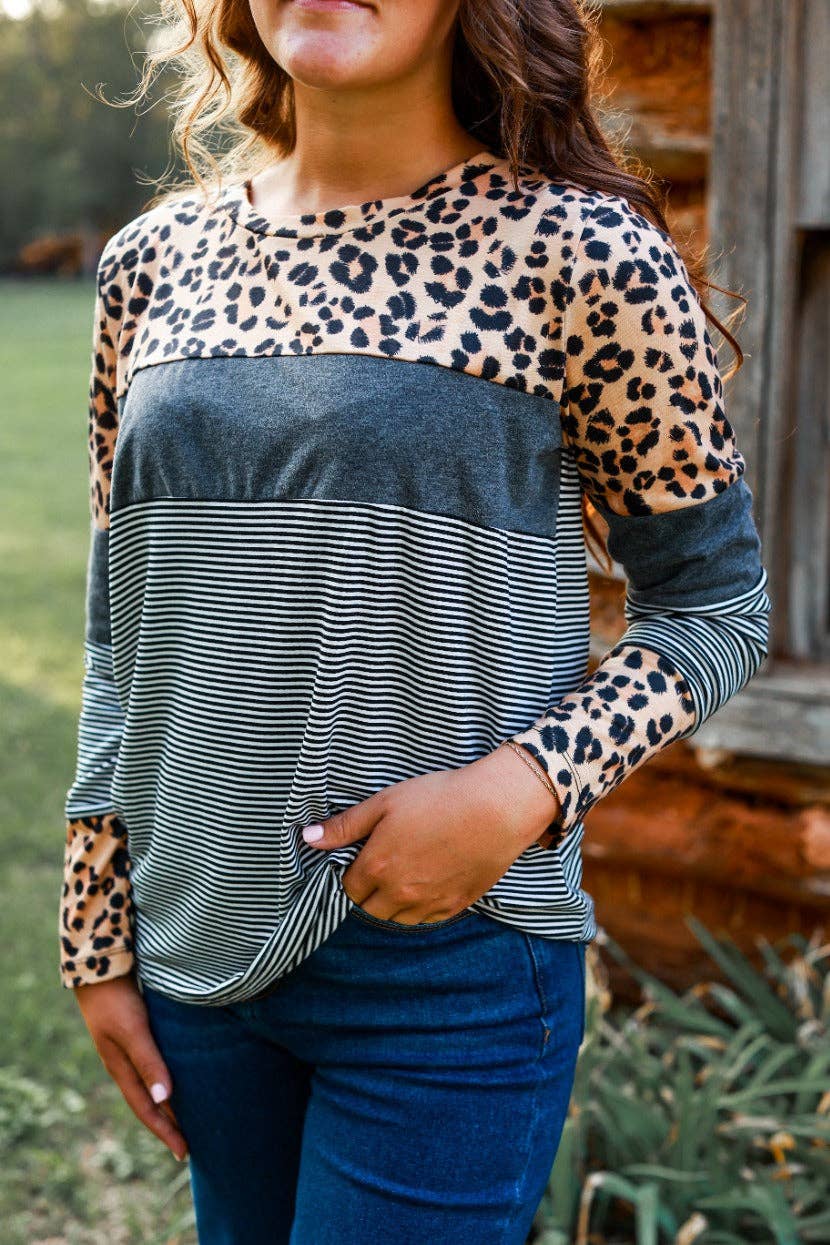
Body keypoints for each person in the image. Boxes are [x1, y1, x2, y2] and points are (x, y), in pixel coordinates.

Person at [58, 0, 772, 1240]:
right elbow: (122, 633)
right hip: (193, 950)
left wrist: (518, 790)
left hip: (447, 969)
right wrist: (96, 930)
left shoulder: (579, 251)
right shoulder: (150, 263)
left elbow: (715, 607)